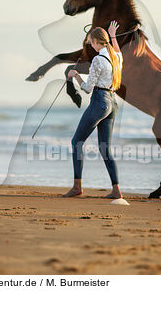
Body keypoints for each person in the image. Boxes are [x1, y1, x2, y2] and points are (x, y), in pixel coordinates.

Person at [64, 20, 123, 199]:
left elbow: (88, 88)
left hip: (99, 102)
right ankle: (116, 190)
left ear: (97, 41)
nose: (90, 45)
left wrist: (75, 76)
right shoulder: (116, 57)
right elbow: (118, 51)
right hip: (112, 104)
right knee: (105, 148)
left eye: (91, 42)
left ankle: (77, 187)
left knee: (76, 142)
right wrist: (113, 35)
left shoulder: (98, 60)